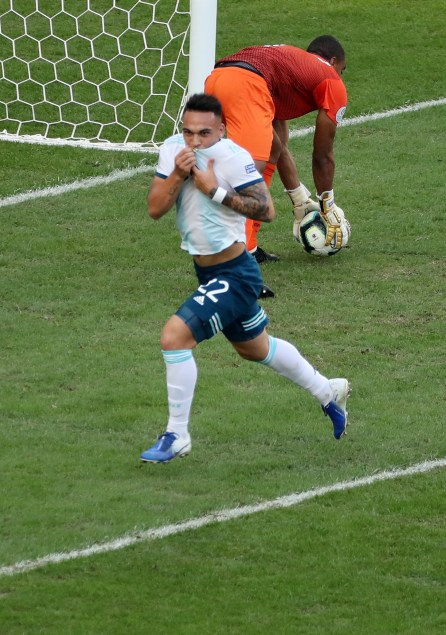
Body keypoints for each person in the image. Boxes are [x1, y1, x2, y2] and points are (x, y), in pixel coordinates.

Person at [140, 93, 349, 463]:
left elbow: (265, 210)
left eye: (204, 133)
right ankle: (327, 391)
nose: (194, 142)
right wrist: (177, 173)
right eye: (188, 132)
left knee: (174, 338)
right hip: (206, 271)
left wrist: (213, 189)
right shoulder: (173, 150)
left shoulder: (234, 158)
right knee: (255, 348)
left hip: (237, 274)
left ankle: (177, 434)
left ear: (221, 129)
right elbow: (156, 209)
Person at [204, 35, 350, 297]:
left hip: (217, 78)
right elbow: (322, 155)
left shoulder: (288, 68)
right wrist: (327, 203)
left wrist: (299, 200)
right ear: (333, 61)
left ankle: (248, 247)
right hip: (245, 84)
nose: (341, 76)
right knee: (248, 177)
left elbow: (279, 149)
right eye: (343, 70)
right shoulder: (331, 80)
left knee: (268, 153)